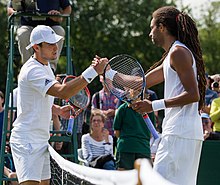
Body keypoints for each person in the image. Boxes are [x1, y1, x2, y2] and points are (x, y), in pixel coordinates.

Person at [9, 25, 106, 185]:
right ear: (36, 47)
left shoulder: (45, 67)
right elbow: (63, 92)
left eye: (55, 43)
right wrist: (93, 71)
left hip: (41, 140)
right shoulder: (33, 70)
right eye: (50, 44)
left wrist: (58, 110)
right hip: (27, 141)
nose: (55, 47)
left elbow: (35, 102)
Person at [129, 6, 206, 185]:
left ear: (162, 27)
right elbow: (139, 82)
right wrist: (106, 72)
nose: (150, 33)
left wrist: (152, 105)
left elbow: (193, 95)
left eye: (152, 27)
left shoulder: (178, 52)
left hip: (179, 134)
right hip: (184, 133)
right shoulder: (174, 54)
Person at [7, 0, 72, 71]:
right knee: (23, 33)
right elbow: (10, 8)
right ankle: (29, 68)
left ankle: (50, 69)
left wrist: (59, 17)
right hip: (29, 25)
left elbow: (67, 8)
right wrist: (15, 13)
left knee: (60, 31)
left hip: (51, 26)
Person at [113, 90, 151, 170]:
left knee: (125, 179)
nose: (137, 91)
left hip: (136, 148)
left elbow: (117, 133)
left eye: (138, 89)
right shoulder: (122, 109)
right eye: (134, 88)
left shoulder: (121, 109)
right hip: (134, 148)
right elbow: (117, 131)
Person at [91, 75, 118, 151]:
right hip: (102, 132)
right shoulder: (97, 96)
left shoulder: (120, 95)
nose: (107, 82)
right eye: (104, 80)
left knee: (120, 158)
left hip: (118, 132)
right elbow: (93, 112)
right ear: (101, 80)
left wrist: (114, 112)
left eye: (108, 79)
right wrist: (103, 113)